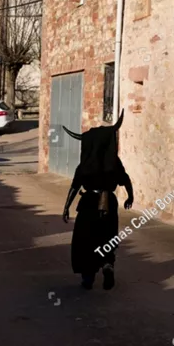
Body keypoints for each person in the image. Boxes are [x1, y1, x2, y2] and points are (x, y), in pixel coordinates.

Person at [62, 110, 134, 290]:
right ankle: (108, 264)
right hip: (108, 202)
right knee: (107, 236)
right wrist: (130, 196)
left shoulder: (85, 164)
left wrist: (66, 207)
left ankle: (88, 277)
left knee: (86, 240)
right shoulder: (113, 162)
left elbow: (75, 186)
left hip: (88, 203)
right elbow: (125, 179)